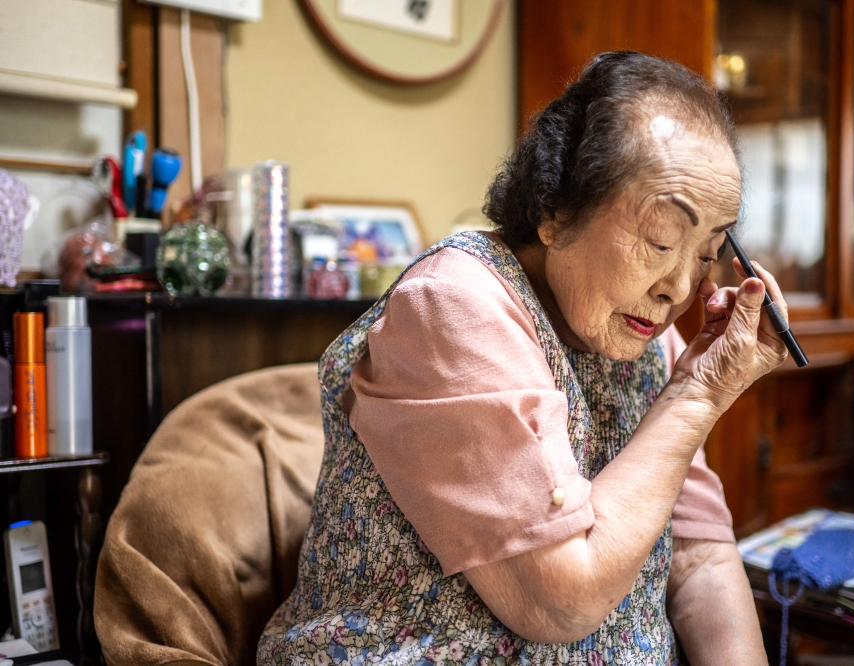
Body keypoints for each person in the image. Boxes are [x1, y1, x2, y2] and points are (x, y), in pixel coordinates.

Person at [258, 51, 787, 666]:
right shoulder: (453, 306)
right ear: (553, 210)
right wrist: (696, 395)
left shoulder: (648, 339)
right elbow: (562, 600)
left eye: (708, 252)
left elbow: (699, 558)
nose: (677, 287)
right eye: (661, 240)